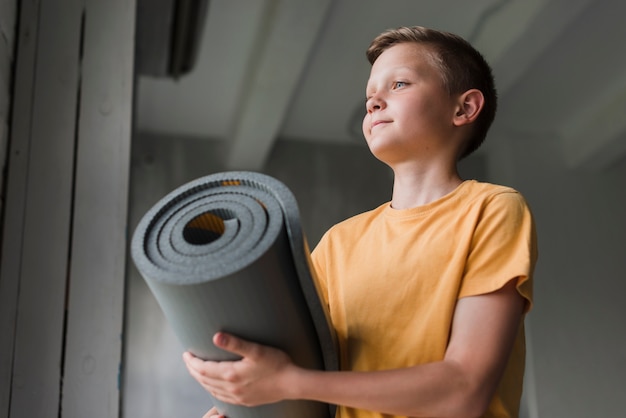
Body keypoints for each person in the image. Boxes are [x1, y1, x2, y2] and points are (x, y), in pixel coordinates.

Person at [183, 25, 537, 418]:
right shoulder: (338, 243)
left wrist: (287, 382)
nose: (373, 103)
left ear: (464, 108)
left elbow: (463, 391)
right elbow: (308, 377)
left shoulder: (491, 209)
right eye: (370, 95)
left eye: (399, 84)